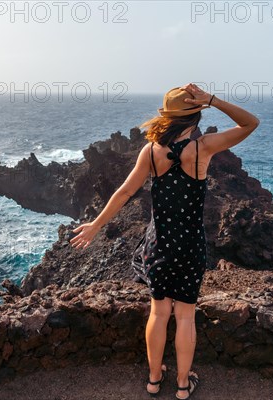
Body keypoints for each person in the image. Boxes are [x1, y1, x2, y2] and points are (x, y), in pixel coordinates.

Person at [69, 83, 260, 399]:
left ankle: (154, 380)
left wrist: (96, 225)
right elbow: (250, 123)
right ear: (196, 114)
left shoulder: (151, 151)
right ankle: (183, 386)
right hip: (189, 245)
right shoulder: (203, 148)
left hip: (158, 245)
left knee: (158, 312)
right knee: (185, 315)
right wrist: (212, 100)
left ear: (168, 116)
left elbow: (125, 192)